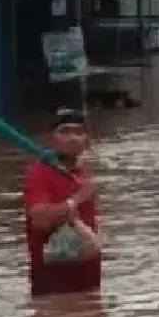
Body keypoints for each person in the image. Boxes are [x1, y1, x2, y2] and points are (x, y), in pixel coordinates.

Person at [20, 108, 102, 297]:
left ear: (87, 140)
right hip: (53, 288)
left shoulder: (82, 173)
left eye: (79, 132)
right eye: (64, 132)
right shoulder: (39, 173)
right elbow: (40, 219)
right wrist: (76, 199)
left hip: (90, 285)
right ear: (50, 138)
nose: (73, 138)